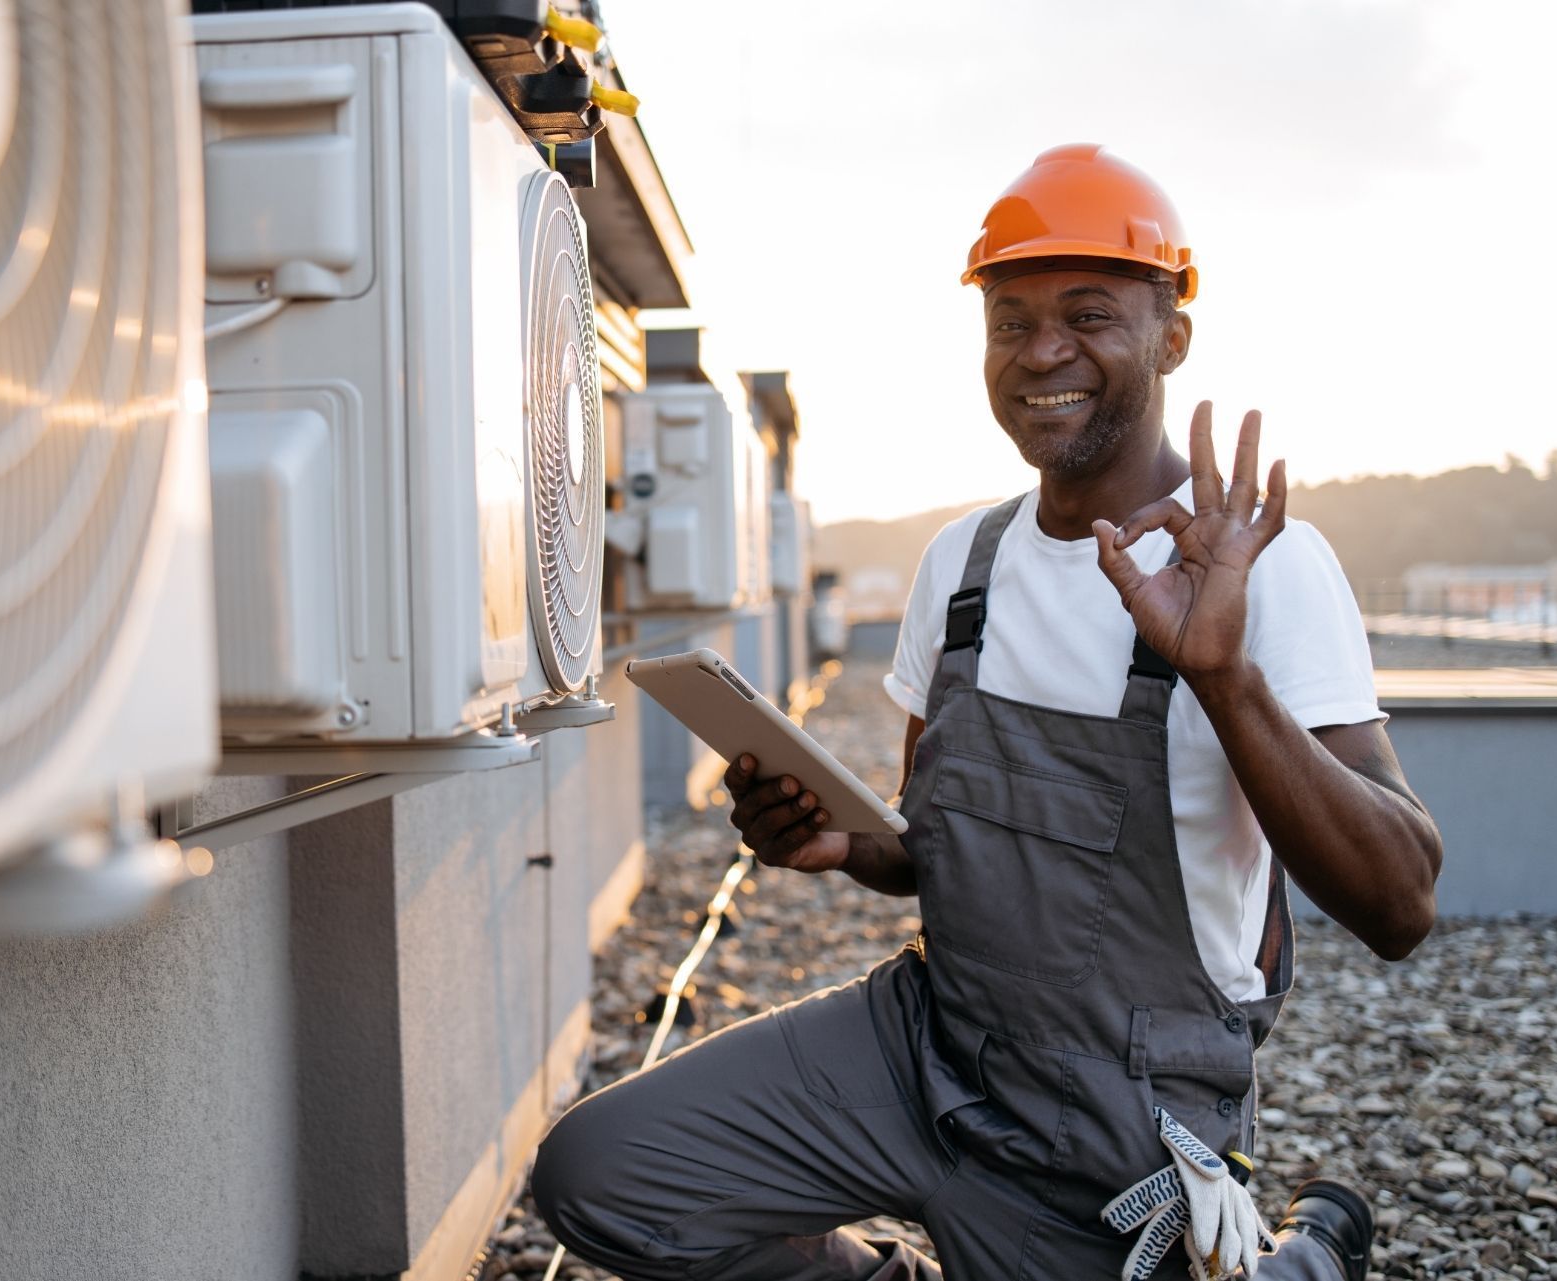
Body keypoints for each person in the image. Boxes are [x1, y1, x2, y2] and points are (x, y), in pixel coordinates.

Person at [533, 144, 1442, 1280]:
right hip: (928, 1047)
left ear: (1173, 336)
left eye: (1090, 313)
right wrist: (838, 839)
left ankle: (1301, 1258)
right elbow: (929, 851)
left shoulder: (1269, 571)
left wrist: (1222, 674)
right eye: (1010, 320)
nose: (1043, 351)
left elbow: (1402, 903)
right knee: (608, 1178)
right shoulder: (964, 566)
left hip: (1116, 1121)